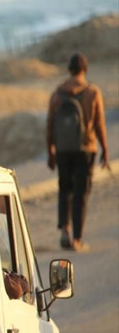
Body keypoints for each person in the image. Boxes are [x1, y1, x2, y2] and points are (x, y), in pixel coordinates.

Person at [46, 52, 109, 252]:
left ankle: (65, 229)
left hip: (63, 149)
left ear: (69, 69)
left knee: (65, 188)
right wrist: (105, 149)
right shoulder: (93, 92)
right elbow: (99, 123)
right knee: (81, 192)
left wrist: (50, 151)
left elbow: (50, 124)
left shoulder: (57, 94)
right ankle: (77, 238)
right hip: (85, 148)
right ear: (85, 70)